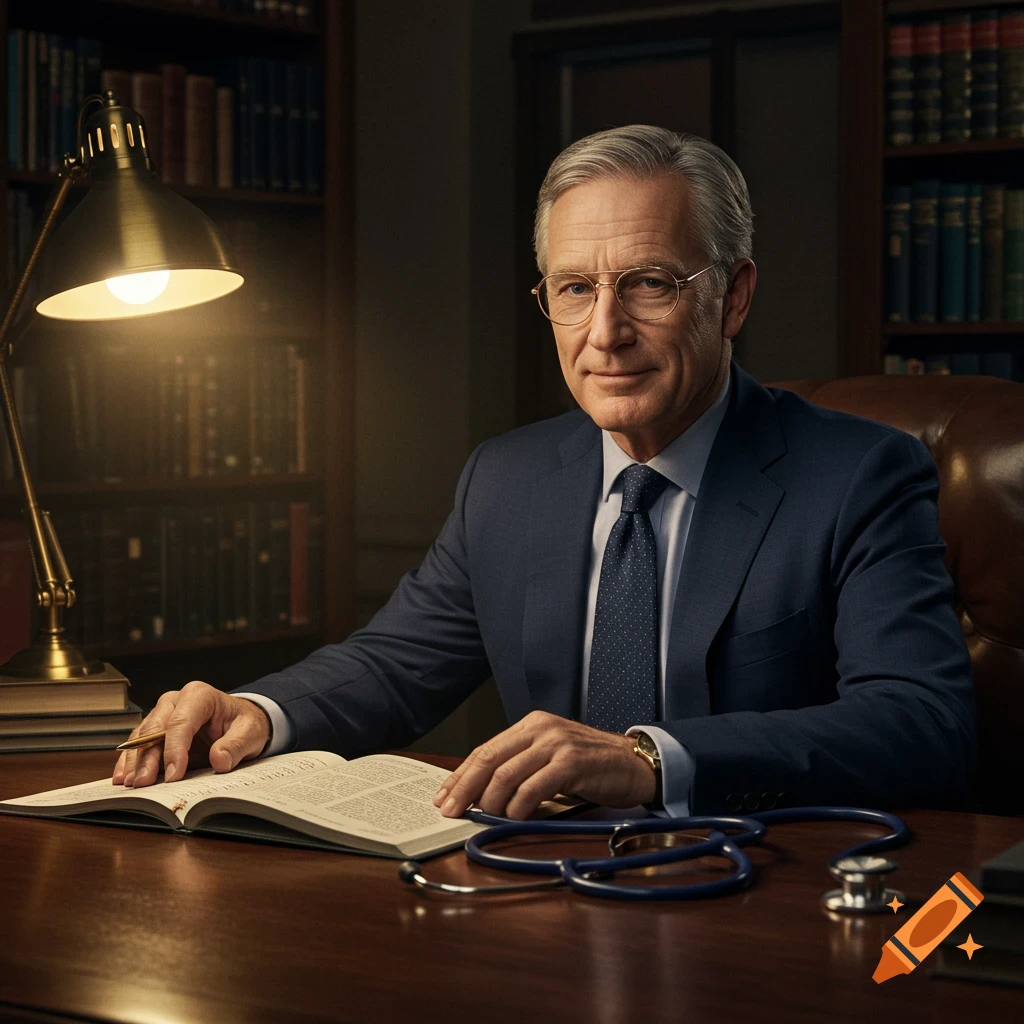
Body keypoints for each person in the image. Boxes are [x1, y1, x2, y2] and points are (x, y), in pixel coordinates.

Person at [113, 125, 977, 820]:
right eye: (573, 289)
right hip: (531, 894)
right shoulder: (509, 476)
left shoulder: (859, 474)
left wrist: (647, 760)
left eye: (648, 283)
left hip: (755, 899)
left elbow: (922, 723)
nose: (605, 331)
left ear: (734, 295)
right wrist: (257, 713)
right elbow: (393, 665)